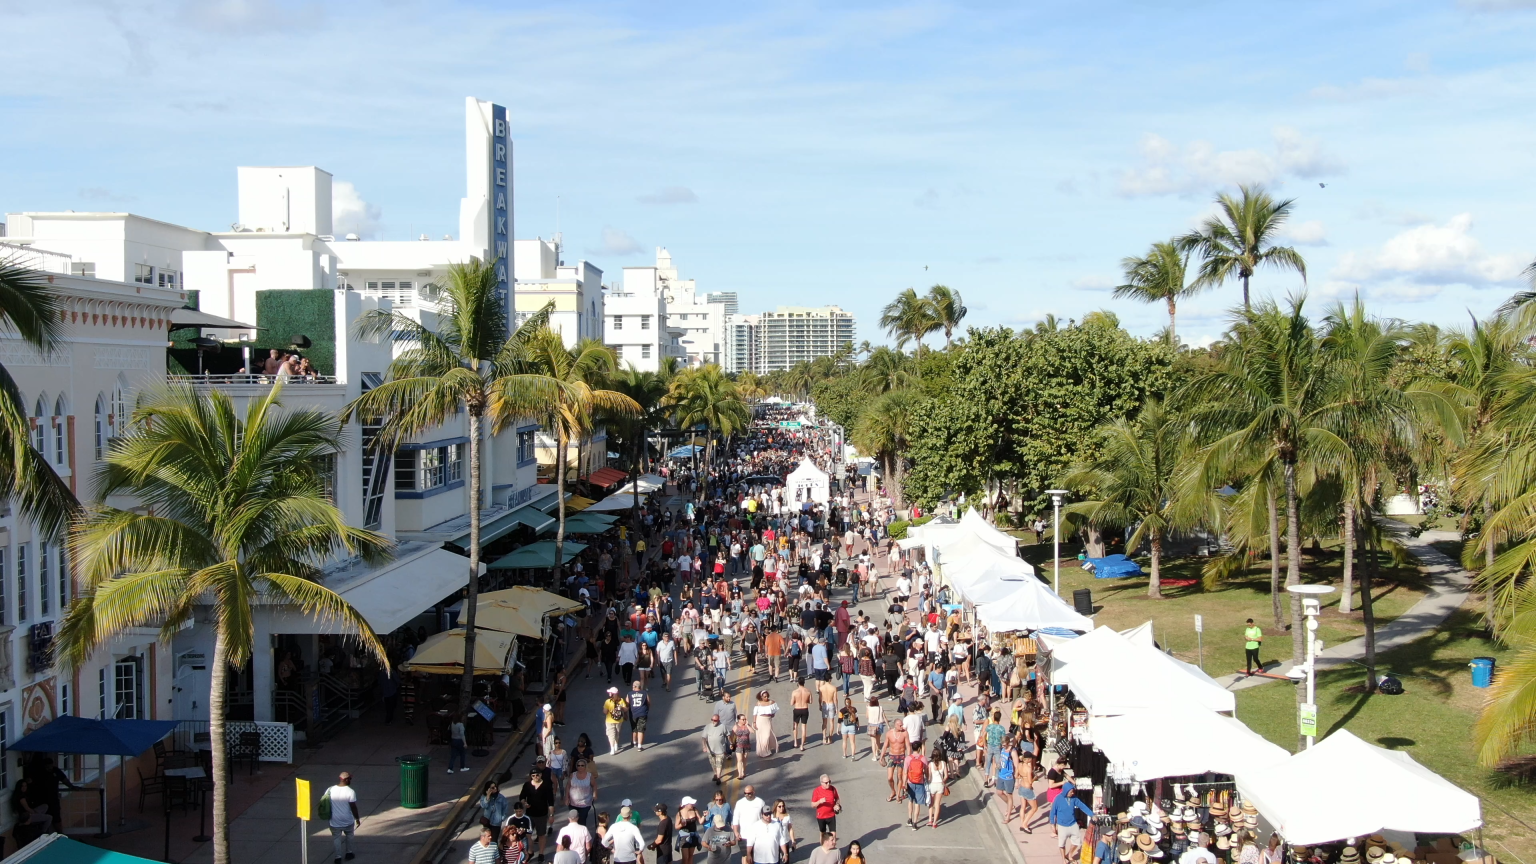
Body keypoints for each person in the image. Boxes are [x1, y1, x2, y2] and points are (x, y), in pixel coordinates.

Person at [1049, 782, 1093, 863]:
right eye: (1071, 791)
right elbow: (1053, 812)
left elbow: (1082, 806)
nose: (1072, 793)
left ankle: (1069, 855)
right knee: (1062, 844)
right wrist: (1053, 824)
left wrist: (1092, 814)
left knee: (1077, 842)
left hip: (1073, 824)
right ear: (1066, 791)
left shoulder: (1074, 798)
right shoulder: (1058, 799)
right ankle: (1063, 860)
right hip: (1062, 825)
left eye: (1073, 791)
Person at [521, 769, 558, 860]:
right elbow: (522, 796)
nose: (535, 777)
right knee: (528, 835)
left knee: (541, 835)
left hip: (542, 815)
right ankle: (530, 852)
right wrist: (524, 803)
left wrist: (551, 815)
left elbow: (550, 802)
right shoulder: (527, 785)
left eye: (537, 775)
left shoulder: (546, 785)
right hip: (529, 815)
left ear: (541, 775)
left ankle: (541, 853)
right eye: (533, 775)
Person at [326, 771, 361, 864]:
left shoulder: (330, 789)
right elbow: (353, 807)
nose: (350, 780)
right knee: (349, 835)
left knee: (336, 838)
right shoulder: (350, 791)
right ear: (345, 779)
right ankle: (349, 853)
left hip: (334, 820)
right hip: (347, 820)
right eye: (350, 779)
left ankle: (338, 857)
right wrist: (357, 818)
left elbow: (326, 802)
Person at [880, 713, 911, 802]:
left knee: (900, 777)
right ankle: (893, 791)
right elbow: (885, 746)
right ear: (896, 725)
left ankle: (898, 794)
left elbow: (908, 746)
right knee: (889, 777)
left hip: (901, 756)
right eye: (900, 725)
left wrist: (908, 758)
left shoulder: (905, 733)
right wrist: (881, 757)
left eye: (902, 725)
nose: (902, 726)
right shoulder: (889, 733)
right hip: (892, 756)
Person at [903, 747, 929, 831]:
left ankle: (909, 819)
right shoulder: (923, 758)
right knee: (917, 803)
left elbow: (905, 772)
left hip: (910, 782)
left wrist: (904, 784)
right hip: (920, 783)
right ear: (919, 749)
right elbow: (926, 771)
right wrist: (927, 779)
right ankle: (915, 823)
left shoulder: (908, 758)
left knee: (910, 801)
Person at [702, 713, 732, 784]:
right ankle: (715, 773)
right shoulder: (708, 727)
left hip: (720, 750)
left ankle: (718, 777)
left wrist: (731, 743)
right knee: (713, 764)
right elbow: (703, 738)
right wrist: (704, 746)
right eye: (712, 720)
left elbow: (728, 735)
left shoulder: (722, 726)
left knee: (719, 764)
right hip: (710, 750)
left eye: (715, 720)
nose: (713, 721)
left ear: (718, 720)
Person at [566, 759, 597, 827]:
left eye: (582, 765)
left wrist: (595, 794)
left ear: (585, 766)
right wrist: (567, 798)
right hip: (573, 803)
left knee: (582, 821)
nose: (580, 767)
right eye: (578, 765)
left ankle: (582, 832)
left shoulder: (589, 776)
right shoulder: (572, 775)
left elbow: (594, 785)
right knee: (573, 821)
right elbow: (568, 786)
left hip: (585, 803)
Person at [810, 775, 840, 839]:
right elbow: (812, 805)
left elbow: (837, 798)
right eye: (826, 783)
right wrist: (819, 802)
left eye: (829, 782)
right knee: (823, 834)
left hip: (831, 815)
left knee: (833, 834)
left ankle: (833, 844)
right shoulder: (817, 791)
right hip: (821, 816)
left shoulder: (833, 789)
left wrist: (837, 805)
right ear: (821, 783)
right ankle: (822, 845)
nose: (828, 784)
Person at [677, 797, 703, 864]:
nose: (693, 805)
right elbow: (676, 826)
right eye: (691, 803)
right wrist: (682, 825)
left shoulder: (694, 810)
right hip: (684, 837)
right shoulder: (680, 813)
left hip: (693, 835)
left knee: (691, 856)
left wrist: (704, 816)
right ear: (686, 804)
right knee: (685, 858)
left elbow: (700, 821)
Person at [753, 690, 779, 757]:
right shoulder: (758, 703)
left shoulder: (771, 702)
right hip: (760, 720)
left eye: (767, 696)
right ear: (761, 697)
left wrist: (772, 714)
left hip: (767, 721)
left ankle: (767, 749)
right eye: (764, 697)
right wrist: (754, 722)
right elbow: (755, 713)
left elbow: (775, 710)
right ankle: (762, 752)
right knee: (761, 737)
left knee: (767, 736)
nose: (766, 698)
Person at [627, 681, 651, 751]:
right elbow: (648, 702)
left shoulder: (629, 694)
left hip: (633, 713)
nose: (632, 687)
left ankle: (634, 742)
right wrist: (647, 709)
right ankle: (639, 746)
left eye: (633, 686)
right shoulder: (644, 693)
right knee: (641, 729)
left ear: (635, 686)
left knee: (634, 728)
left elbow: (627, 703)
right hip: (642, 713)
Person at [603, 687, 627, 754]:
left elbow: (605, 712)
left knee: (611, 734)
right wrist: (621, 708)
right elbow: (625, 709)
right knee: (617, 733)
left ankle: (612, 748)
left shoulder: (608, 701)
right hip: (619, 720)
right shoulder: (621, 700)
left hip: (609, 721)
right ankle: (616, 744)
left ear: (612, 694)